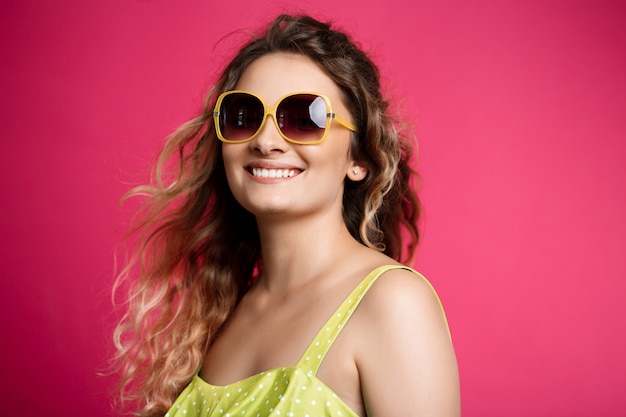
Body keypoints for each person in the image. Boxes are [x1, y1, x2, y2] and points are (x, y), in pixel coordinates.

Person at [113, 13, 460, 417]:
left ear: (360, 157)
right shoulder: (220, 314)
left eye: (303, 118)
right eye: (243, 115)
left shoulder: (392, 305)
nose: (265, 141)